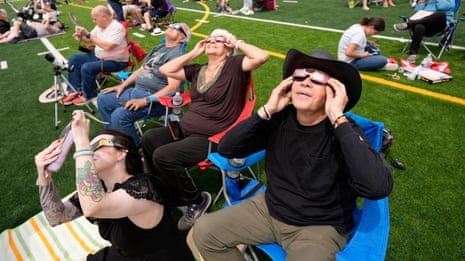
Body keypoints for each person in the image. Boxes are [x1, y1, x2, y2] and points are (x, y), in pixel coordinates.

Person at [191, 48, 394, 260]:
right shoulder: (279, 119)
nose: (305, 82)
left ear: (334, 92)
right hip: (268, 208)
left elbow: (377, 187)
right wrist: (266, 110)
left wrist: (337, 117)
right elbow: (227, 148)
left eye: (318, 78)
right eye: (300, 75)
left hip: (318, 227)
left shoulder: (344, 130)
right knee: (205, 232)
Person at [141, 29, 269, 231]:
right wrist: (193, 53)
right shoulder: (197, 69)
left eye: (219, 40)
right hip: (185, 128)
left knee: (163, 155)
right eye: (209, 39)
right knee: (149, 138)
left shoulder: (235, 66)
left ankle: (196, 200)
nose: (212, 41)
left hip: (212, 136)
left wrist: (237, 41)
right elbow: (166, 69)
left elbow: (262, 56)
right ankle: (162, 189)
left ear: (228, 50)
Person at [34, 110, 195, 261]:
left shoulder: (144, 188)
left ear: (122, 152)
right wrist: (44, 175)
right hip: (123, 255)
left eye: (98, 145)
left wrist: (82, 142)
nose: (90, 152)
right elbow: (56, 217)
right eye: (89, 148)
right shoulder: (101, 189)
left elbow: (93, 207)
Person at [97, 23, 191, 147]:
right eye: (171, 24)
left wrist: (145, 100)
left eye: (177, 27)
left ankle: (135, 149)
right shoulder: (159, 48)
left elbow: (172, 88)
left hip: (155, 100)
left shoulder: (177, 56)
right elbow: (142, 69)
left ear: (182, 38)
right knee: (102, 98)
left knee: (119, 116)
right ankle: (113, 135)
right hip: (135, 90)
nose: (171, 26)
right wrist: (122, 85)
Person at [62, 5, 129, 106]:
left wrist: (88, 34)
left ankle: (90, 95)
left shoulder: (117, 27)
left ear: (104, 17)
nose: (93, 21)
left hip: (115, 61)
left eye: (95, 18)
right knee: (74, 58)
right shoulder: (100, 26)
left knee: (87, 67)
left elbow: (108, 47)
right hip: (98, 56)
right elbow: (90, 39)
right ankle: (74, 91)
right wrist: (82, 36)